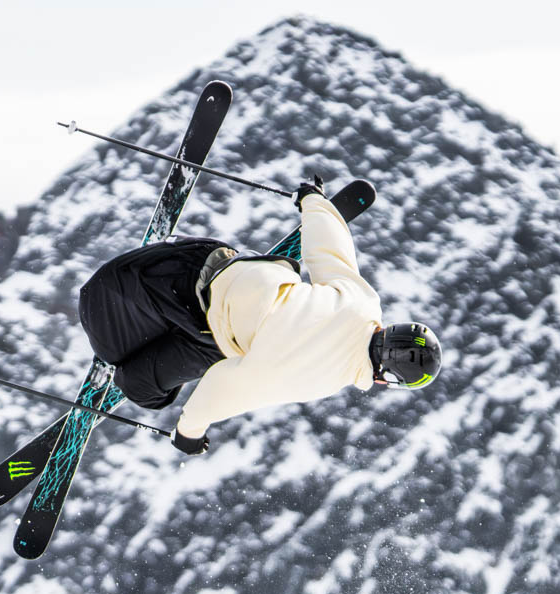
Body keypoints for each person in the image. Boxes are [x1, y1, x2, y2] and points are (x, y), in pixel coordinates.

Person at [76, 180, 442, 455]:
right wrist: (189, 435)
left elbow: (330, 248)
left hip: (215, 258)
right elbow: (223, 388)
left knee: (250, 312)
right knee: (145, 386)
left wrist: (313, 202)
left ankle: (200, 280)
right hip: (178, 314)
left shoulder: (364, 303)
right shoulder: (321, 377)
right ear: (386, 379)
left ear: (390, 331)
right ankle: (148, 356)